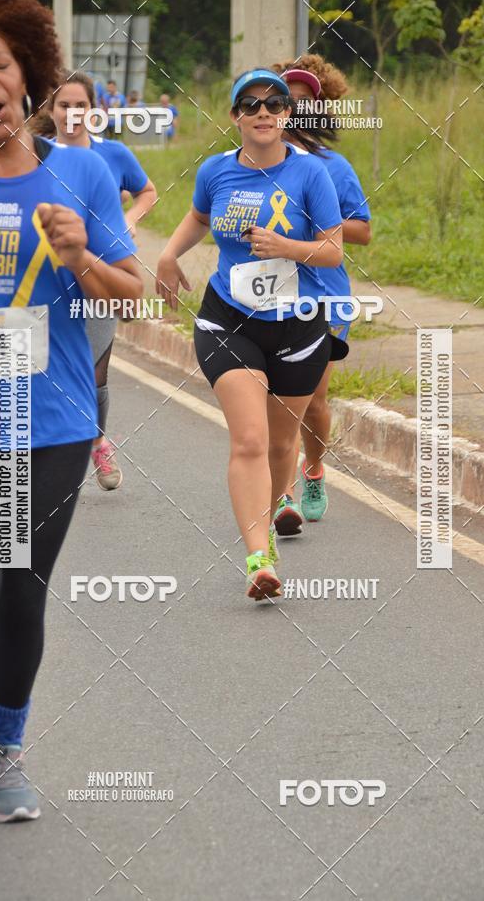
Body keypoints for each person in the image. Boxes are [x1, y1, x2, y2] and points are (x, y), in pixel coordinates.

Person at [0, 0, 142, 821]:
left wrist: (81, 254)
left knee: (20, 591)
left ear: (28, 74)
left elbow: (131, 295)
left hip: (50, 420)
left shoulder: (80, 173)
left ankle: (1, 753)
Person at [156, 68, 347, 601]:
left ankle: (285, 497)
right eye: (250, 103)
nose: (262, 111)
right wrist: (170, 254)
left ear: (288, 115)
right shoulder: (216, 171)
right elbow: (196, 218)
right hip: (227, 320)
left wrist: (288, 248)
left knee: (282, 442)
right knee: (249, 439)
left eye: (274, 103)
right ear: (236, 116)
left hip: (300, 326)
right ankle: (259, 559)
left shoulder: (311, 175)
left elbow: (333, 251)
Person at [272, 56, 372, 535]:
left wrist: (315, 225)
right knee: (279, 399)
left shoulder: (335, 167)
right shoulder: (255, 163)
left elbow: (363, 231)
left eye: (305, 99)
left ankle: (313, 472)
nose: (295, 105)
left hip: (324, 297)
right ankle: (281, 494)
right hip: (269, 295)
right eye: (286, 96)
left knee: (312, 400)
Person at [50, 70, 157, 490]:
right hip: (47, 285)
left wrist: (127, 221)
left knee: (95, 372)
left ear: (94, 110)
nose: (73, 113)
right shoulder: (36, 157)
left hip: (102, 277)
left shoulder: (112, 155)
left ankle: (96, 440)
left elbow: (146, 191)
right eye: (64, 105)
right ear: (51, 110)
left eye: (81, 106)